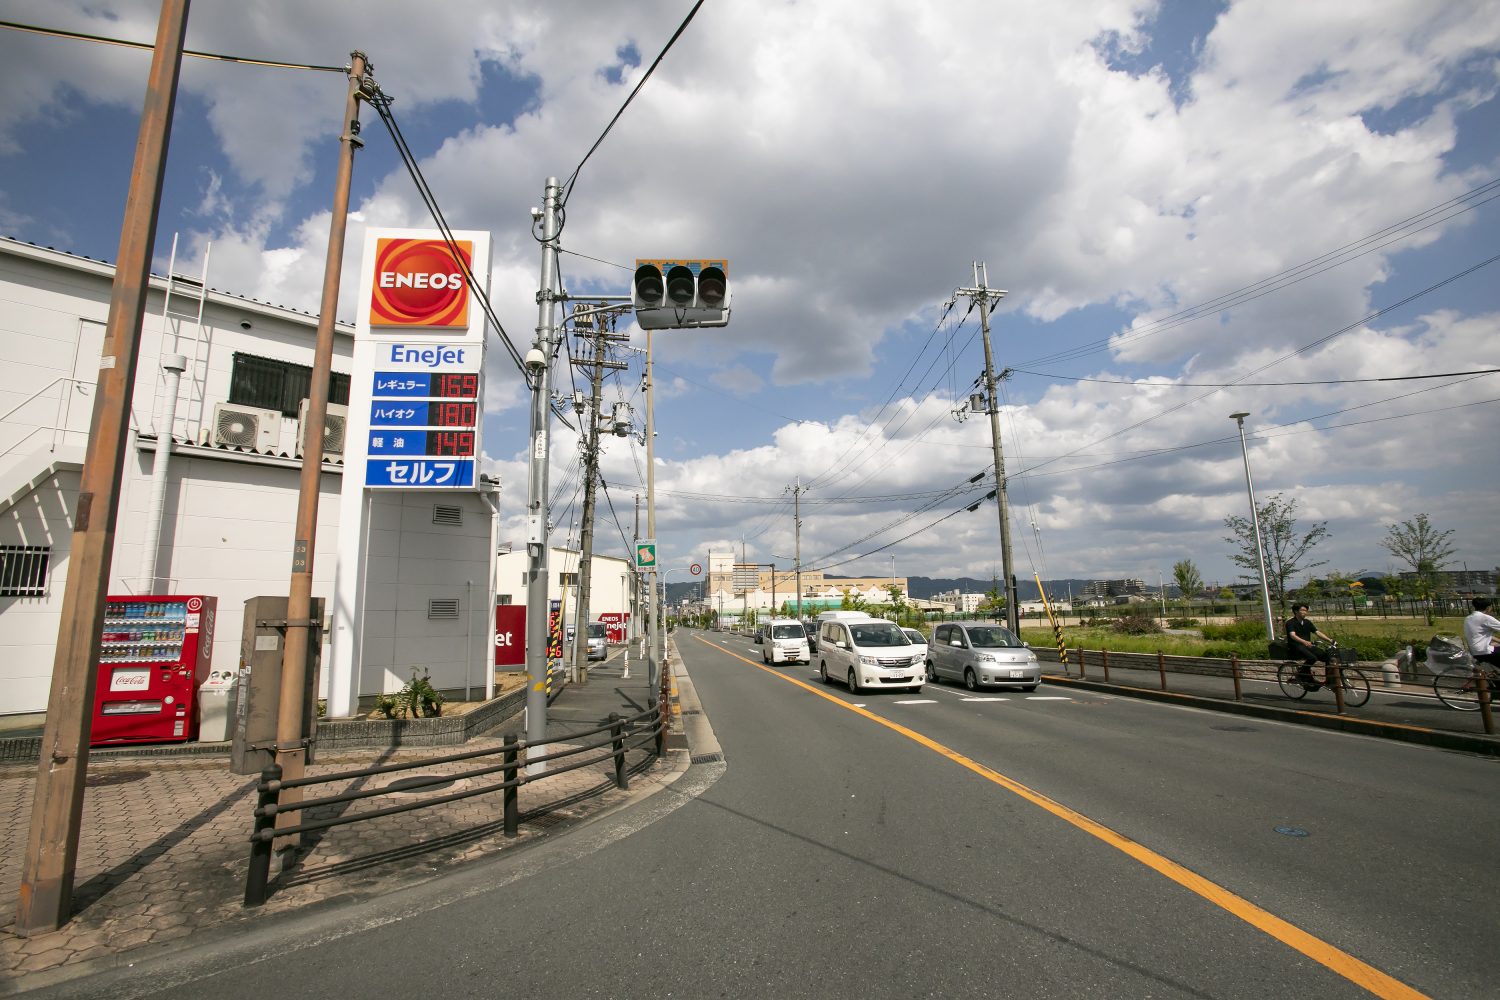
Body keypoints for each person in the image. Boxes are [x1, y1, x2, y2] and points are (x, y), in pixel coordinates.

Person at [1285, 603, 1333, 688]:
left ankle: (1329, 681)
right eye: (1303, 610)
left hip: (1307, 645)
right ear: (1296, 611)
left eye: (1306, 610)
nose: (1305, 612)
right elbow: (1292, 635)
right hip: (1296, 646)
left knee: (1327, 657)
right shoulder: (1290, 622)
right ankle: (1301, 674)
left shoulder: (1307, 622)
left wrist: (1330, 640)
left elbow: (1317, 632)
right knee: (1312, 658)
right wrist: (1304, 641)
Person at [1463, 597, 1500, 671]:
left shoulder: (1468, 618)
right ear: (1488, 608)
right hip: (1484, 651)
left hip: (1474, 651)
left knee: (1497, 646)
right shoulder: (1485, 618)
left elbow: (1480, 635)